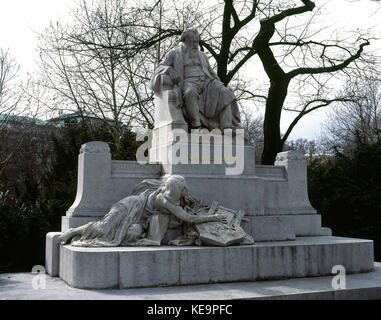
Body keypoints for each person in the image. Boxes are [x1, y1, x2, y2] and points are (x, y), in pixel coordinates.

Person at [59, 175, 227, 247]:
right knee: (104, 228)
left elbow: (187, 208)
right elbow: (189, 218)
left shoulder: (169, 194)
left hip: (139, 218)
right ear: (176, 189)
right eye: (182, 188)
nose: (185, 190)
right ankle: (74, 231)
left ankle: (84, 232)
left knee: (130, 235)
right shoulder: (166, 200)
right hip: (129, 207)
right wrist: (215, 217)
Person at [150, 28, 243, 131]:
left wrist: (218, 83)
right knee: (190, 93)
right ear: (185, 41)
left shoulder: (202, 55)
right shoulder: (174, 53)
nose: (195, 45)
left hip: (207, 81)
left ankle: (226, 126)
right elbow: (159, 67)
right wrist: (169, 70)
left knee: (224, 91)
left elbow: (211, 72)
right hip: (188, 82)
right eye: (192, 42)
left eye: (197, 42)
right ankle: (196, 125)